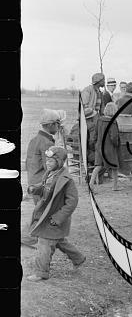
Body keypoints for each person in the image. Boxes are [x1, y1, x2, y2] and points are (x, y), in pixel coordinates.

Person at [26, 146, 85, 282]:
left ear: (59, 162)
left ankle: (41, 272)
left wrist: (58, 218)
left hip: (55, 218)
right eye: (47, 160)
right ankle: (79, 258)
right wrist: (35, 188)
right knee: (58, 241)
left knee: (44, 243)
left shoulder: (66, 180)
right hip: (46, 214)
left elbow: (72, 202)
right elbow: (45, 187)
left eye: (51, 161)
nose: (47, 163)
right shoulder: (50, 173)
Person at [22, 109, 62, 247]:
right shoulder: (47, 143)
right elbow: (50, 167)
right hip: (41, 184)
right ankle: (27, 237)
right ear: (50, 125)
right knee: (43, 211)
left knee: (41, 210)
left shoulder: (34, 140)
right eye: (57, 124)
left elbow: (28, 164)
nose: (59, 127)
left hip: (33, 181)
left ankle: (30, 237)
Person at [89, 102, 121, 192]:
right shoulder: (113, 122)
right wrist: (116, 144)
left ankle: (91, 183)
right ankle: (115, 186)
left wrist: (96, 144)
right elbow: (114, 137)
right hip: (109, 148)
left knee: (98, 165)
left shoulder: (99, 120)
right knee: (114, 166)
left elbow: (95, 134)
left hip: (99, 147)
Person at [80, 72, 106, 166]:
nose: (104, 82)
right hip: (88, 121)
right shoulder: (87, 90)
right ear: (99, 81)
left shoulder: (99, 92)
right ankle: (91, 162)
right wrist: (95, 115)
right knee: (91, 142)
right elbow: (83, 107)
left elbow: (100, 109)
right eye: (103, 80)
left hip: (95, 121)